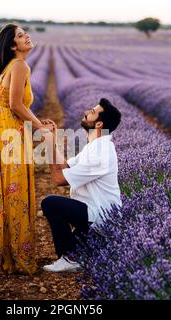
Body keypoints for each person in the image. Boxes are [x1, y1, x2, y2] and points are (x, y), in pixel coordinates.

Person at [0, 23, 55, 275]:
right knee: (15, 194)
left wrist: (38, 121)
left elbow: (14, 104)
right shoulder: (21, 66)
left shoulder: (9, 67)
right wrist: (39, 127)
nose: (27, 37)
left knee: (2, 192)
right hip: (12, 135)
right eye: (22, 35)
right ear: (13, 45)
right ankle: (15, 257)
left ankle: (3, 253)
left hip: (0, 133)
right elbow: (15, 104)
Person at [41, 98, 122, 272]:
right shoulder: (94, 147)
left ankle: (70, 258)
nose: (86, 112)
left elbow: (58, 179)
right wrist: (52, 139)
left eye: (91, 112)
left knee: (51, 204)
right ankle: (83, 250)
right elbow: (65, 166)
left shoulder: (100, 153)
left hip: (100, 219)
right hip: (91, 212)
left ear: (99, 124)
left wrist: (48, 141)